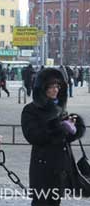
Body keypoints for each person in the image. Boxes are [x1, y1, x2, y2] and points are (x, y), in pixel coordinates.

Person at [21, 68, 86, 206]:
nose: (55, 90)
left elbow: (64, 138)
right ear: (42, 89)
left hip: (61, 166)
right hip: (43, 166)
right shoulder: (30, 110)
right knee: (41, 202)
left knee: (55, 202)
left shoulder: (60, 108)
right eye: (51, 87)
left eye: (57, 86)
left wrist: (74, 128)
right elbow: (33, 136)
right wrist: (57, 128)